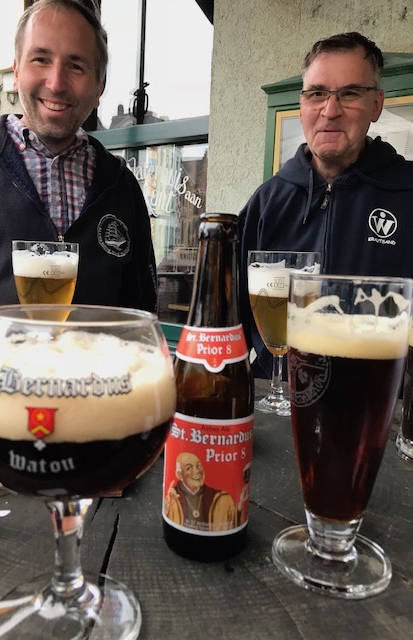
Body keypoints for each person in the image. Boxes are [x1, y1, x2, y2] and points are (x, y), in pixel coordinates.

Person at [0, 0, 157, 386]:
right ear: (17, 68)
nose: (56, 83)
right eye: (40, 59)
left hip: (89, 403)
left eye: (76, 66)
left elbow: (139, 311)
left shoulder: (121, 186)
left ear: (99, 86)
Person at [239, 31, 413, 379]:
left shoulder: (407, 191)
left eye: (350, 93)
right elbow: (230, 320)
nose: (330, 111)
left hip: (381, 405)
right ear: (302, 104)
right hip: (279, 399)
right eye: (317, 93)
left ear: (376, 104)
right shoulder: (267, 200)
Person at [164, 452, 248, 531]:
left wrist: (240, 504)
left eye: (198, 466)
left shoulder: (221, 499)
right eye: (189, 468)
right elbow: (167, 511)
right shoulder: (172, 497)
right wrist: (168, 506)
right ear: (180, 475)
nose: (197, 471)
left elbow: (233, 521)